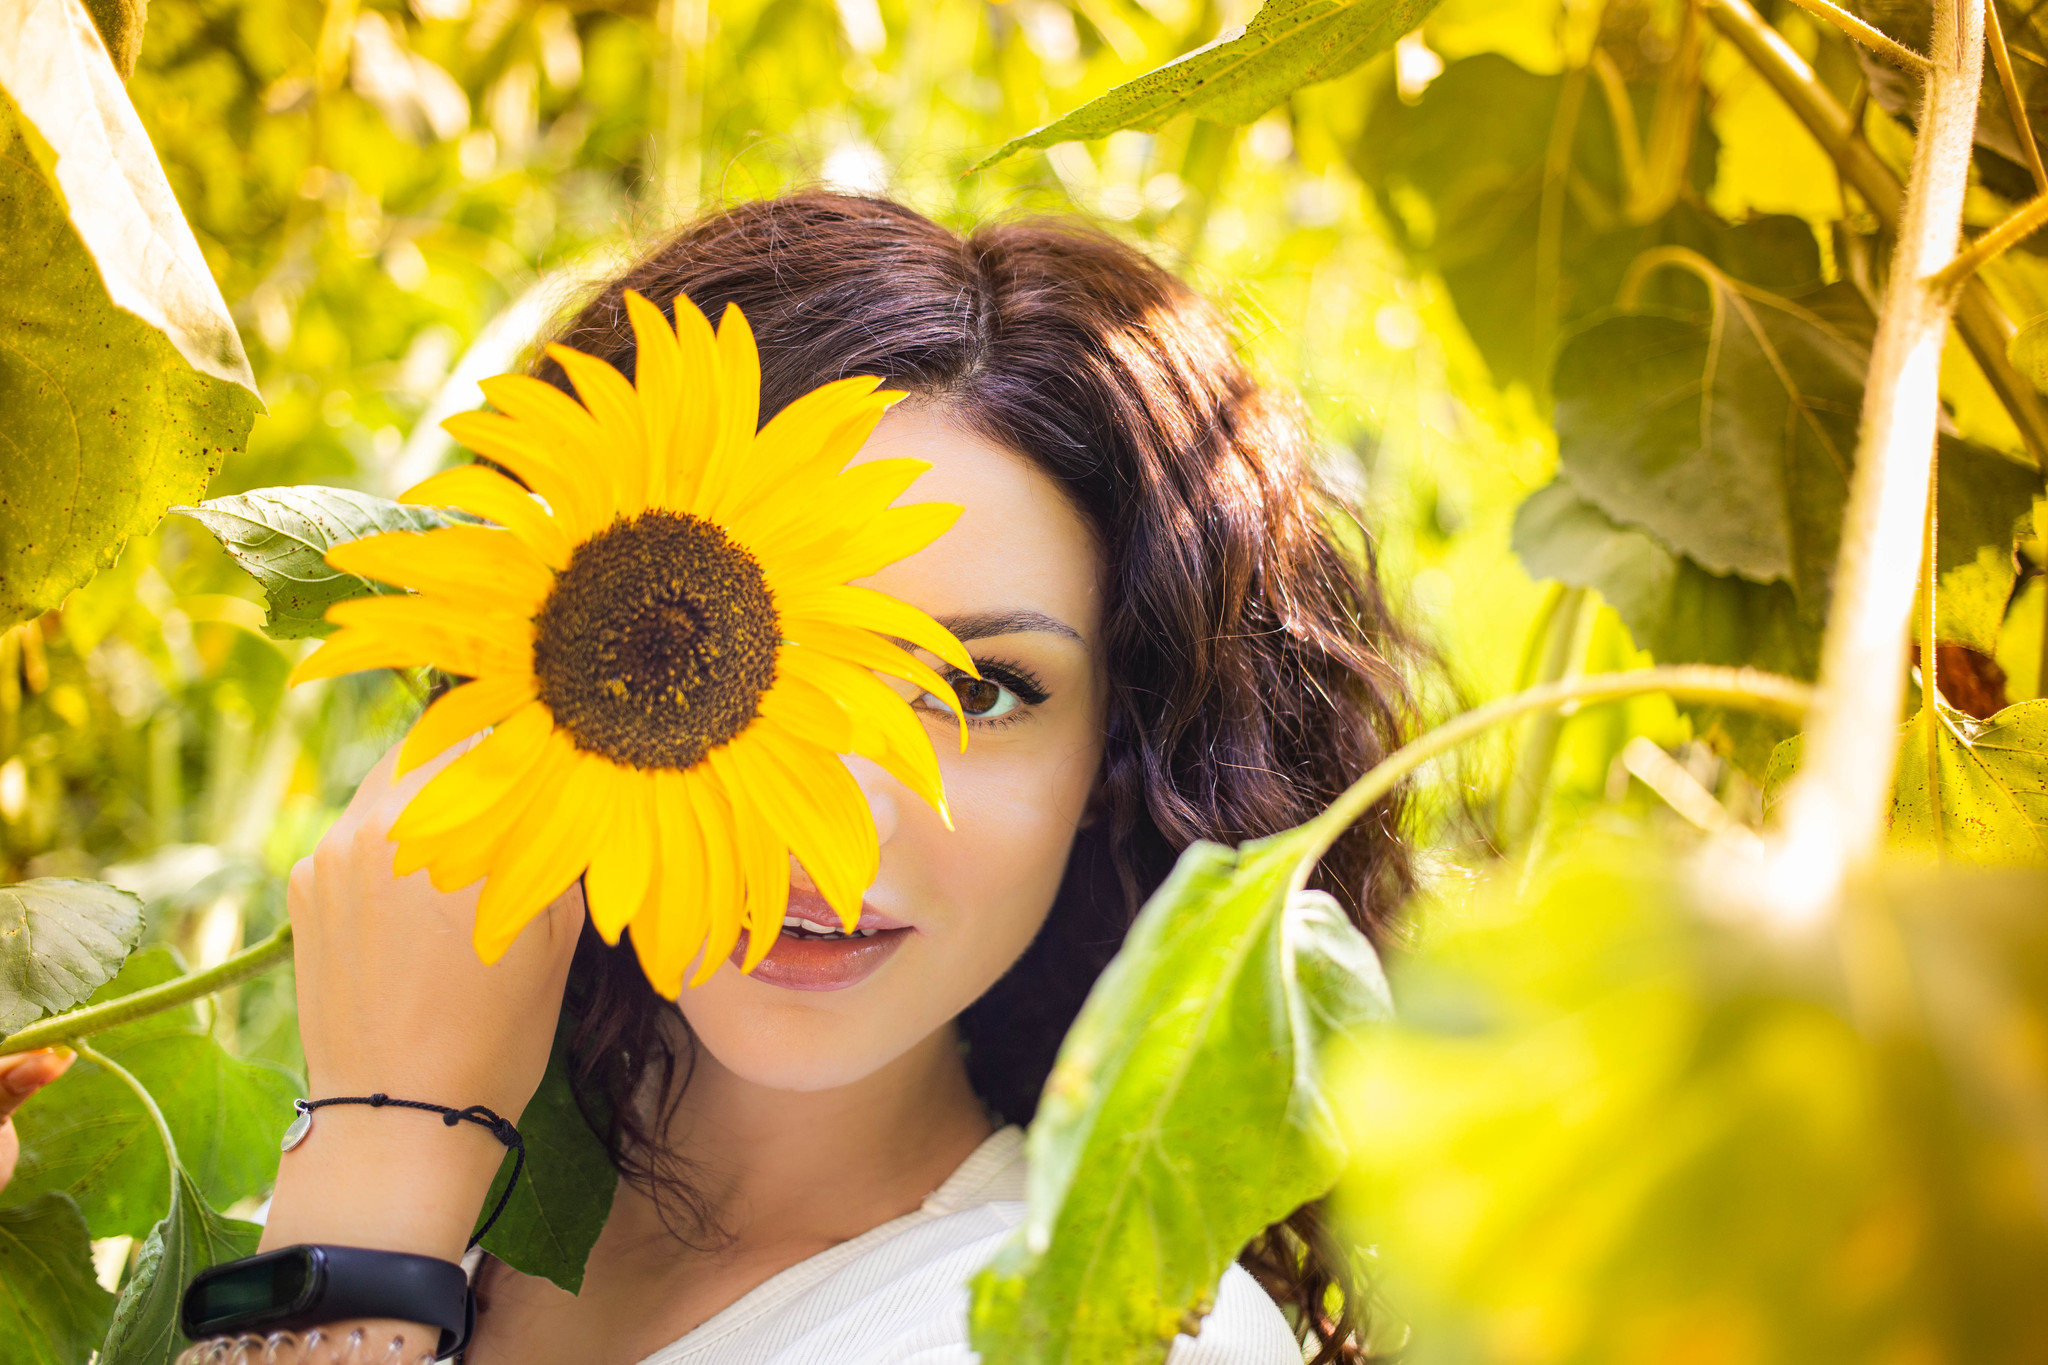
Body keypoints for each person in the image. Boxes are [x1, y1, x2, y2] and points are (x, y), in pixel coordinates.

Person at [187, 192, 1416, 1364]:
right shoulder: (387, 1201)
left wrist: (388, 1147)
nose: (835, 819)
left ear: (1116, 763)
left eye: (977, 692)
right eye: (723, 656)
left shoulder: (1108, 1333)